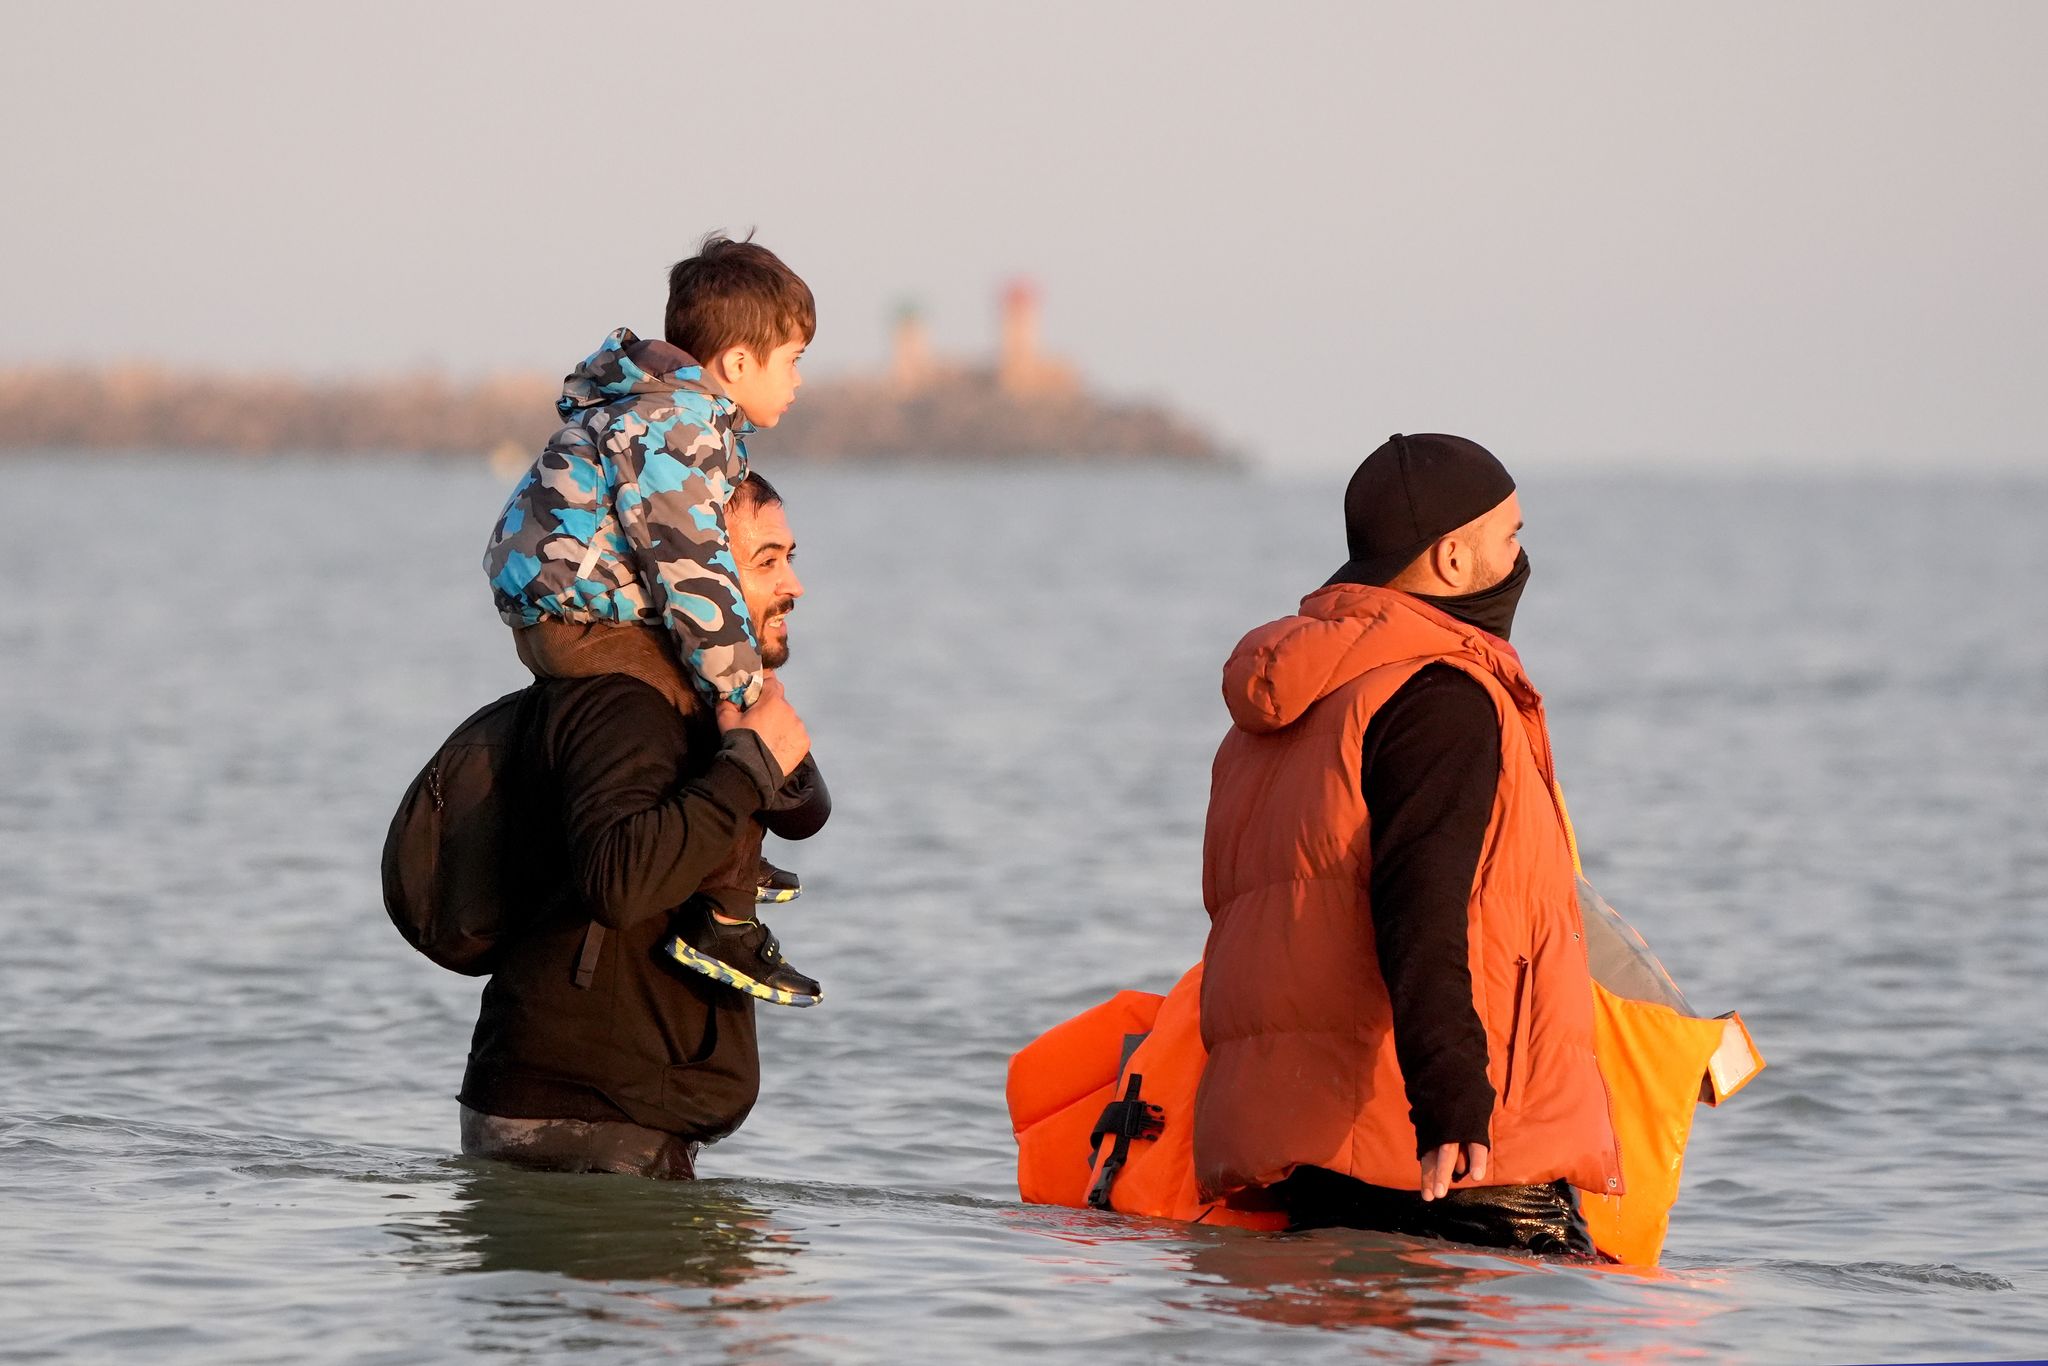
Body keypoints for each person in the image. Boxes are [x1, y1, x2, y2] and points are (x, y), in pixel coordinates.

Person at [1192, 433, 1621, 1257]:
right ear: (1454, 559)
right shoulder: (1442, 695)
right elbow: (1423, 903)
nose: (1522, 555)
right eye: (1512, 535)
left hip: (1314, 1155)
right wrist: (1452, 1101)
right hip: (1452, 1159)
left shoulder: (1293, 704)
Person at [481, 234, 823, 1005]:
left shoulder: (668, 417)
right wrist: (746, 698)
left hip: (568, 611)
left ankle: (720, 855)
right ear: (738, 364)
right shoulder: (678, 431)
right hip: (582, 620)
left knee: (717, 685)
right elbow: (694, 578)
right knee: (724, 705)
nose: (800, 381)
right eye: (792, 359)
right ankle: (723, 916)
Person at [459, 474, 818, 1177]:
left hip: (616, 1120)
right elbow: (619, 882)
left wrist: (751, 724)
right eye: (768, 561)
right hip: (582, 1125)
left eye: (791, 557)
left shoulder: (692, 697)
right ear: (697, 576)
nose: (795, 584)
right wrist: (747, 768)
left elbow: (803, 813)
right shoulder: (622, 705)